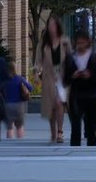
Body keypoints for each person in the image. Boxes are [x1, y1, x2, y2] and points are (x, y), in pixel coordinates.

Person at [34, 15, 71, 144]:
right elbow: (38, 61)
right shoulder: (43, 43)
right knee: (51, 106)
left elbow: (70, 59)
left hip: (62, 77)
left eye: (54, 25)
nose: (51, 28)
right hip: (49, 77)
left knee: (59, 103)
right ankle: (53, 132)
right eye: (49, 25)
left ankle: (60, 132)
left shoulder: (65, 42)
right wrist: (36, 73)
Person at [64, 31, 96, 147]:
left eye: (82, 43)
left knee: (91, 125)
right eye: (78, 43)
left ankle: (92, 147)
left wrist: (90, 75)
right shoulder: (71, 58)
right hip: (76, 94)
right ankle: (75, 148)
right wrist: (73, 75)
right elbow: (66, 78)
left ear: (87, 42)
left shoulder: (94, 57)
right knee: (75, 125)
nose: (80, 45)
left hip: (91, 95)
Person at [3, 63, 33, 139]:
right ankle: (19, 142)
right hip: (19, 105)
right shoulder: (19, 79)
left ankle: (9, 143)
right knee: (19, 126)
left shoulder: (5, 80)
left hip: (7, 105)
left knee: (9, 127)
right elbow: (30, 88)